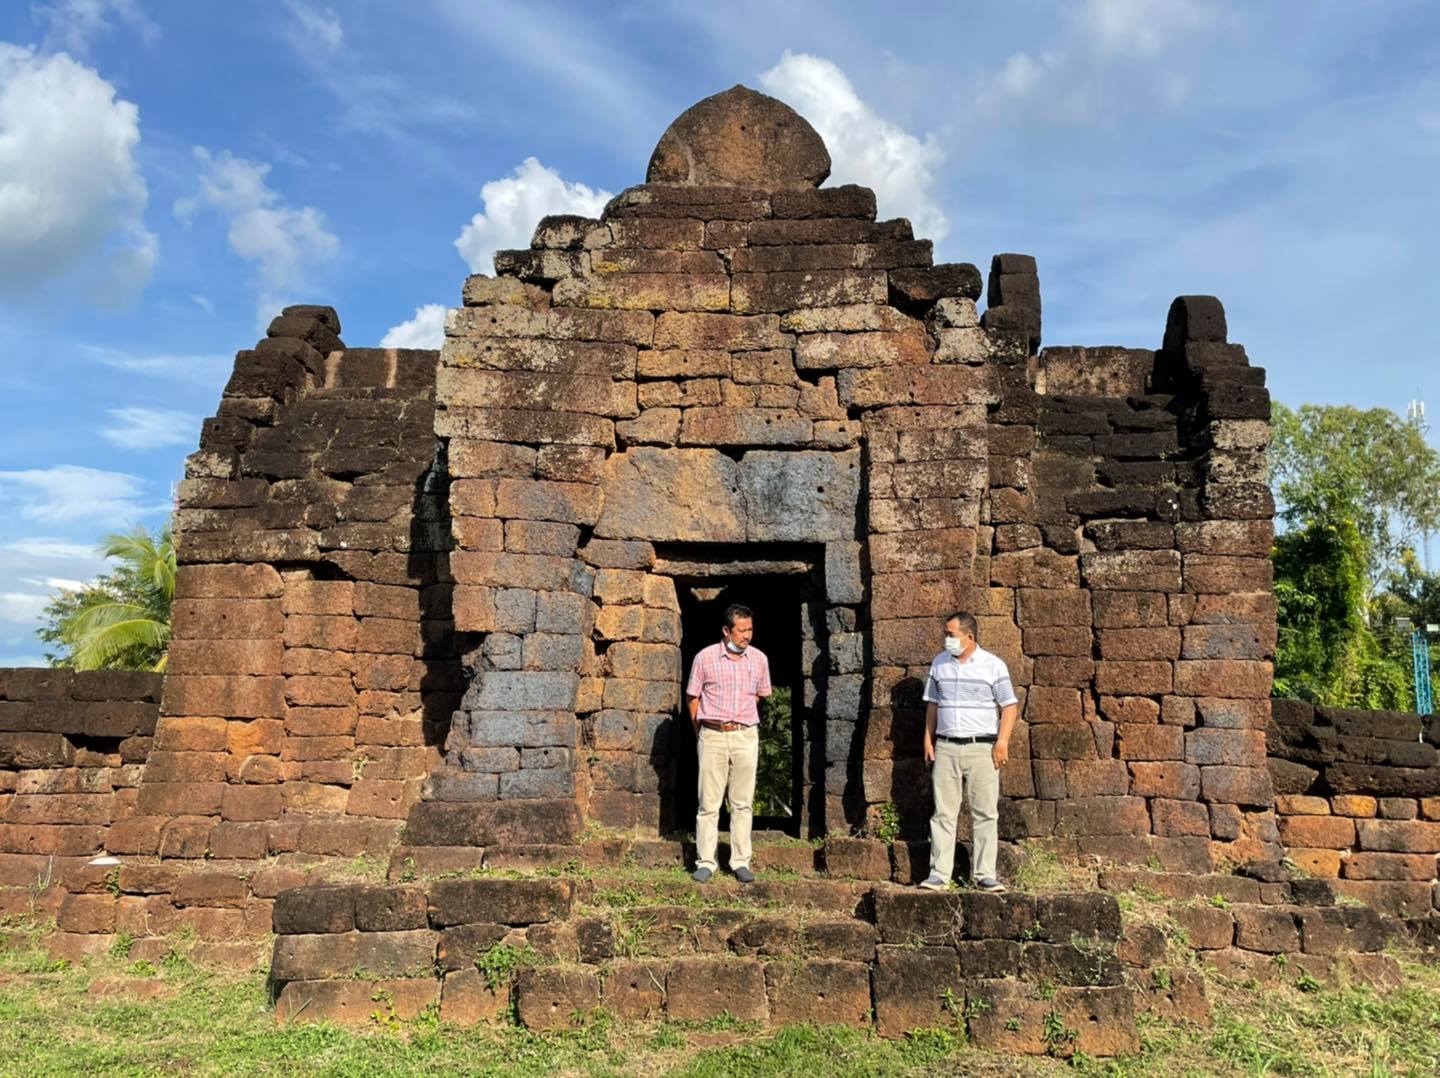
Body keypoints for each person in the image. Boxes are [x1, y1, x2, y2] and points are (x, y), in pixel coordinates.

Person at [918, 611, 1019, 893]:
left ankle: (985, 874)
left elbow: (1009, 706)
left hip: (981, 747)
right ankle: (939, 874)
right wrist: (928, 739)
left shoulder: (993, 666)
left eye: (951, 635)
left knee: (985, 812)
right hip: (947, 746)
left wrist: (1002, 742)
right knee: (943, 813)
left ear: (969, 637)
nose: (946, 639)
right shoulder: (939, 664)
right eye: (946, 634)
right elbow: (933, 706)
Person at [686, 602, 771, 884]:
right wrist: (704, 730)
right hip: (712, 734)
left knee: (743, 801)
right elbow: (693, 697)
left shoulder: (759, 659)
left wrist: (740, 720)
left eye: (750, 629)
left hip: (746, 734)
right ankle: (706, 862)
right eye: (741, 630)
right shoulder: (705, 658)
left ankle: (740, 861)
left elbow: (759, 695)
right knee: (708, 802)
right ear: (726, 630)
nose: (747, 635)